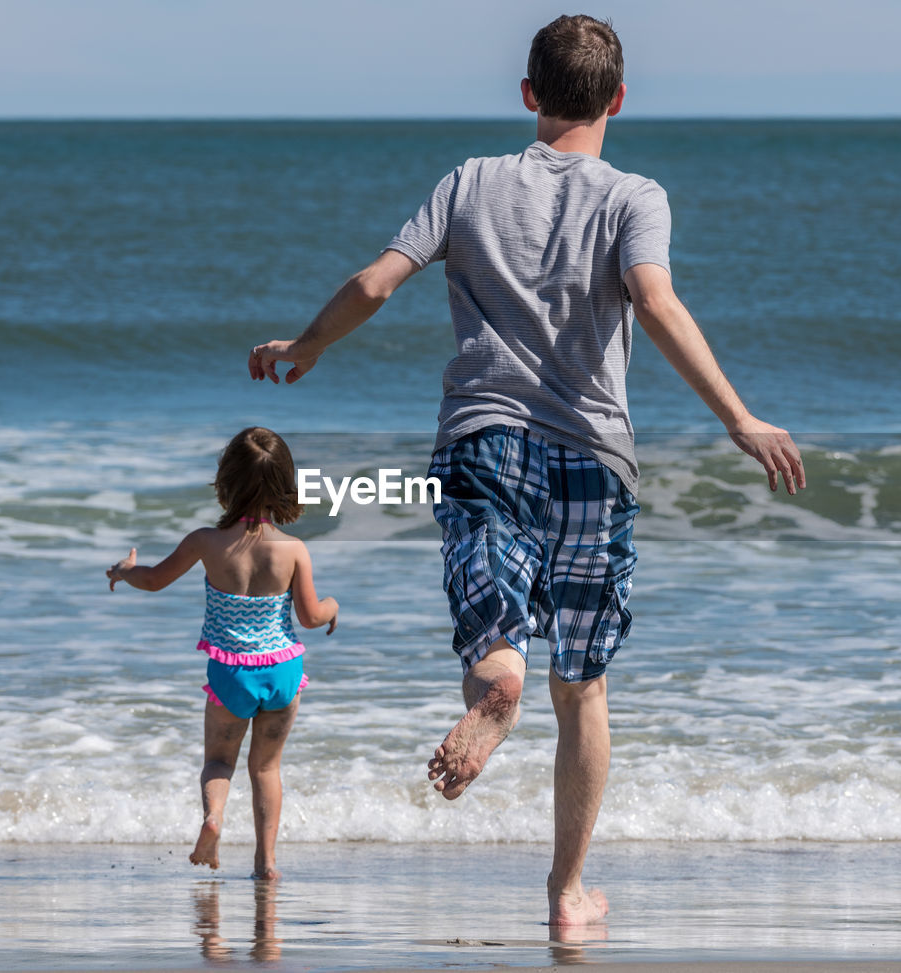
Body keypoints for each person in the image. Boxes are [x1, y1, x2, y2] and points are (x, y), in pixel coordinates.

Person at [248, 15, 805, 924]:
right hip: (594, 456)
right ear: (618, 100)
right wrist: (739, 417)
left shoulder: (469, 183)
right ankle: (566, 894)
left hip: (483, 439)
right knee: (581, 682)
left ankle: (492, 681)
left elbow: (380, 280)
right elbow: (656, 302)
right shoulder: (637, 197)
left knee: (492, 628)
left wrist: (309, 343)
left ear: (528, 95)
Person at [106, 426, 338, 878]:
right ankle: (266, 863)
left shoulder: (205, 542)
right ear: (284, 483)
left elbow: (154, 580)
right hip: (283, 674)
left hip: (232, 675)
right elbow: (310, 616)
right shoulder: (293, 550)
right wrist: (333, 608)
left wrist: (127, 571)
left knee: (219, 761)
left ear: (226, 481)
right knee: (266, 768)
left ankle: (214, 818)